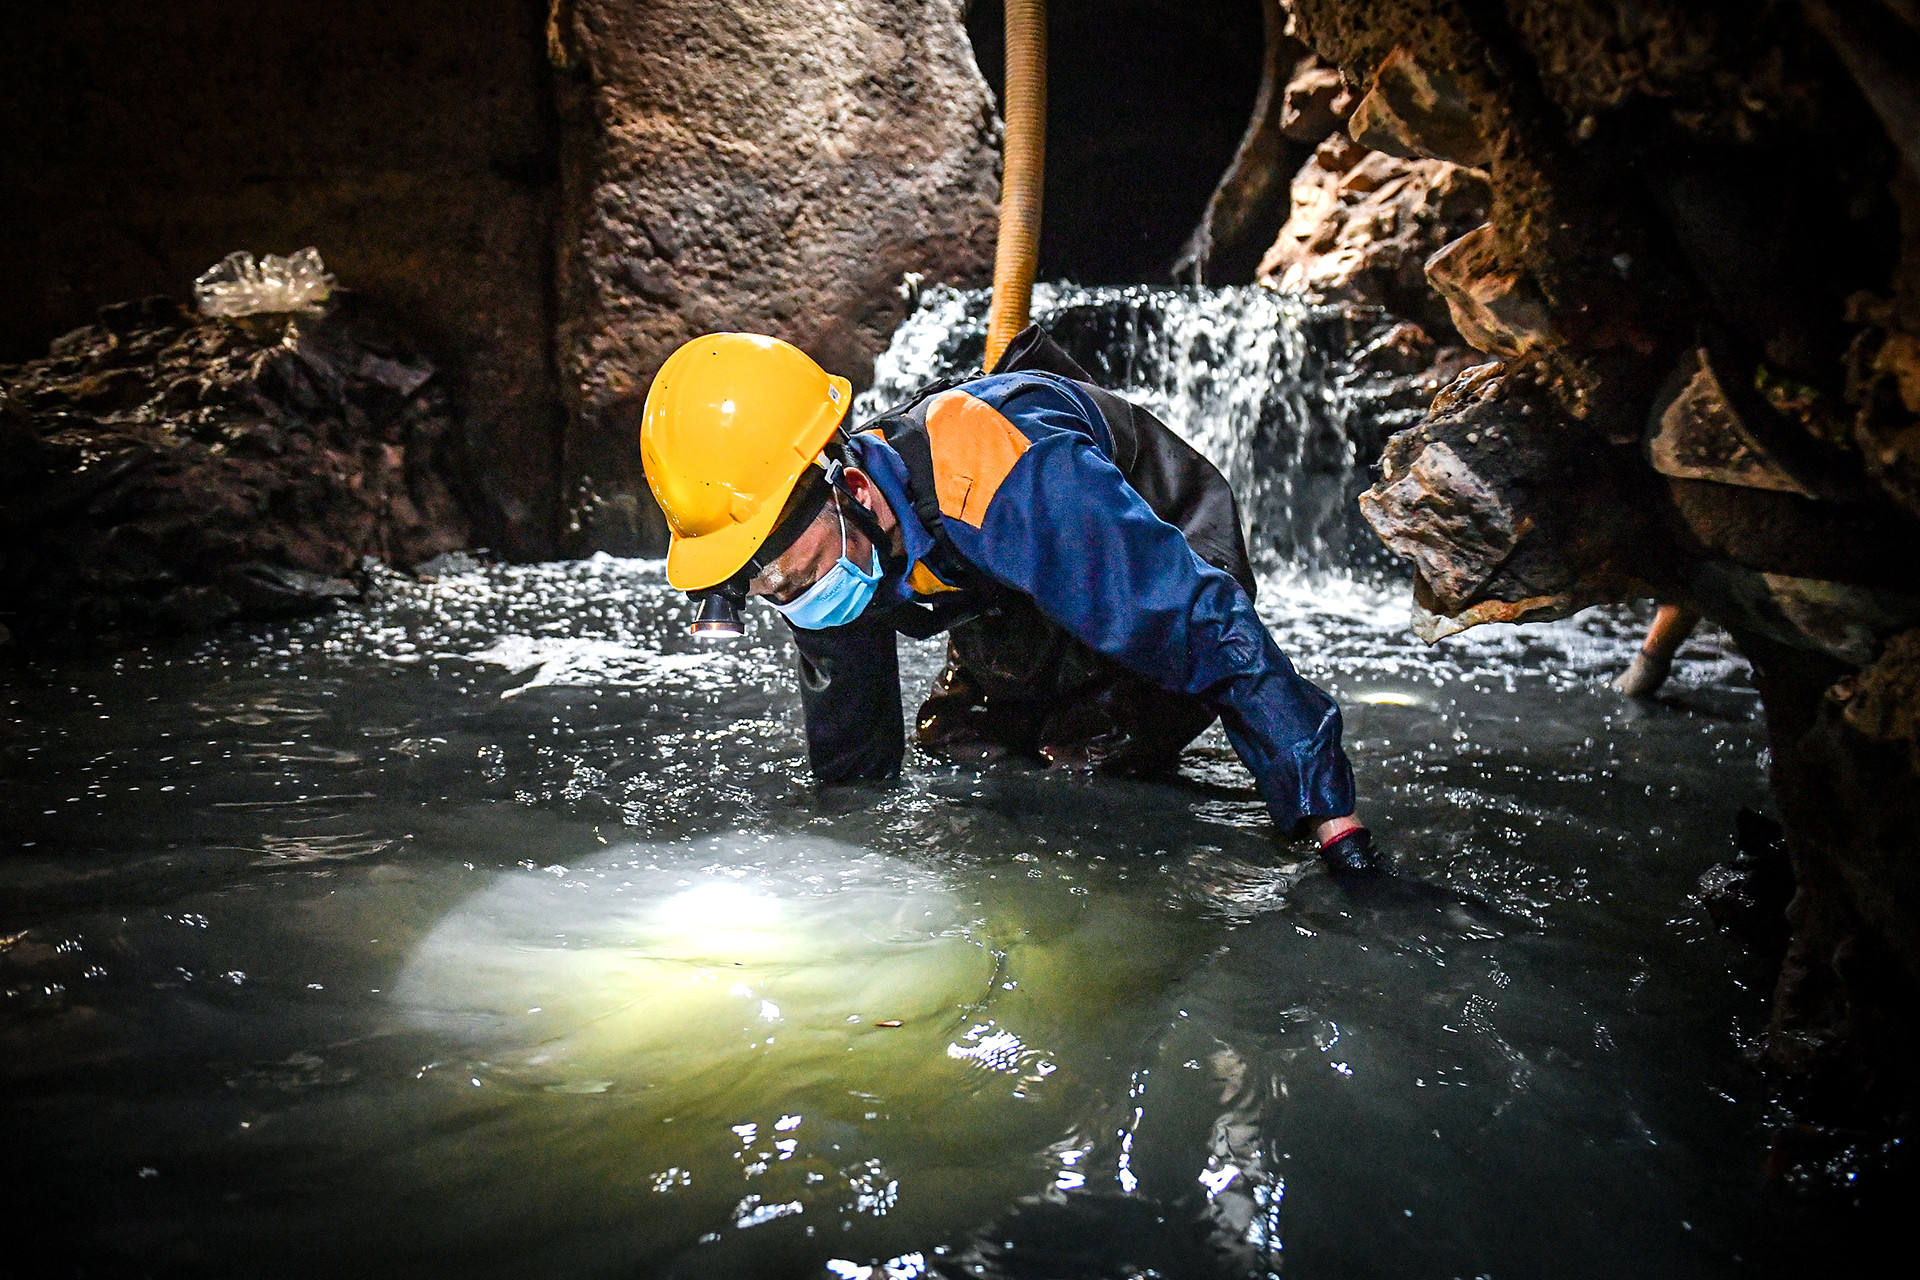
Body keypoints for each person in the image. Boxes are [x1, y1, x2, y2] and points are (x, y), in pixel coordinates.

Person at [638, 327, 1379, 870]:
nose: (778, 593)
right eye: (753, 581)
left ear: (852, 490)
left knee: (1093, 756)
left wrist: (1330, 823)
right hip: (1008, 593)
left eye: (780, 572)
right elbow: (852, 756)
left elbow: (1210, 630)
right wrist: (841, 867)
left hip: (1160, 550)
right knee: (971, 750)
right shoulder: (819, 540)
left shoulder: (1002, 472)